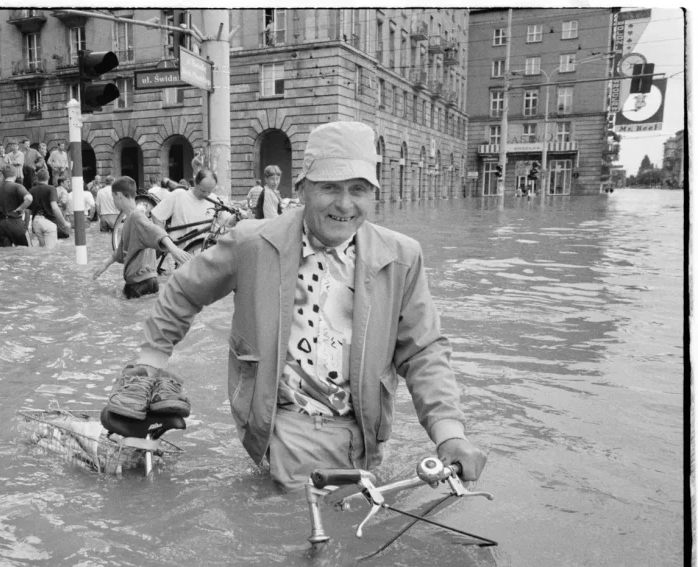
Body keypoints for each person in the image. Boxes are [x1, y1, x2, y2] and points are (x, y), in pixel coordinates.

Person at [116, 121, 488, 491]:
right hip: (281, 426)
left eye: (358, 189)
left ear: (374, 193)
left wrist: (449, 434)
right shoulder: (253, 243)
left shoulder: (402, 258)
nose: (344, 204)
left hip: (365, 435)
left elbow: (424, 351)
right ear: (303, 189)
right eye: (329, 187)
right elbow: (183, 290)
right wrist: (149, 364)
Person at [93, 177, 193, 299]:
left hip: (139, 284)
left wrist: (174, 249)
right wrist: (105, 264)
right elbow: (122, 251)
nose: (113, 201)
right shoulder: (132, 217)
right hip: (148, 281)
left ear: (118, 195)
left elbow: (156, 231)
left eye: (113, 197)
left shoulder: (136, 216)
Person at [149, 168, 226, 238]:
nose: (206, 194)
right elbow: (156, 215)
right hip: (180, 250)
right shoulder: (179, 195)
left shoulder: (214, 199)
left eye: (209, 191)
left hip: (205, 250)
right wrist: (165, 240)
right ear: (195, 182)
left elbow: (226, 221)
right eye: (203, 190)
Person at [27, 168, 70, 249]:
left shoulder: (32, 190)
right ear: (48, 177)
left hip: (35, 222)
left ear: (38, 178)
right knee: (51, 252)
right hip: (48, 222)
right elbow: (54, 207)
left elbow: (28, 210)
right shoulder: (51, 188)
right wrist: (64, 223)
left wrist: (27, 227)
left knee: (42, 248)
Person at [0, 165, 32, 247]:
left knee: (4, 253)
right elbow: (29, 199)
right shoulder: (17, 186)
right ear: (16, 174)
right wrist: (20, 208)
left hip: (0, 224)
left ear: (3, 175)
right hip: (15, 222)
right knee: (26, 251)